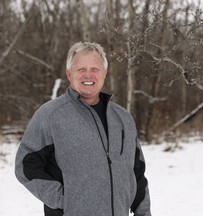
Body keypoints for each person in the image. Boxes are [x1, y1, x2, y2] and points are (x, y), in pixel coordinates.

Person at [15, 42, 152, 216]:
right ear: (69, 74)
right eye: (81, 69)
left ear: (104, 73)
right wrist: (65, 200)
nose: (88, 75)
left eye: (95, 69)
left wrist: (144, 212)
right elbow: (25, 166)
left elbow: (137, 172)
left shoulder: (123, 118)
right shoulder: (50, 115)